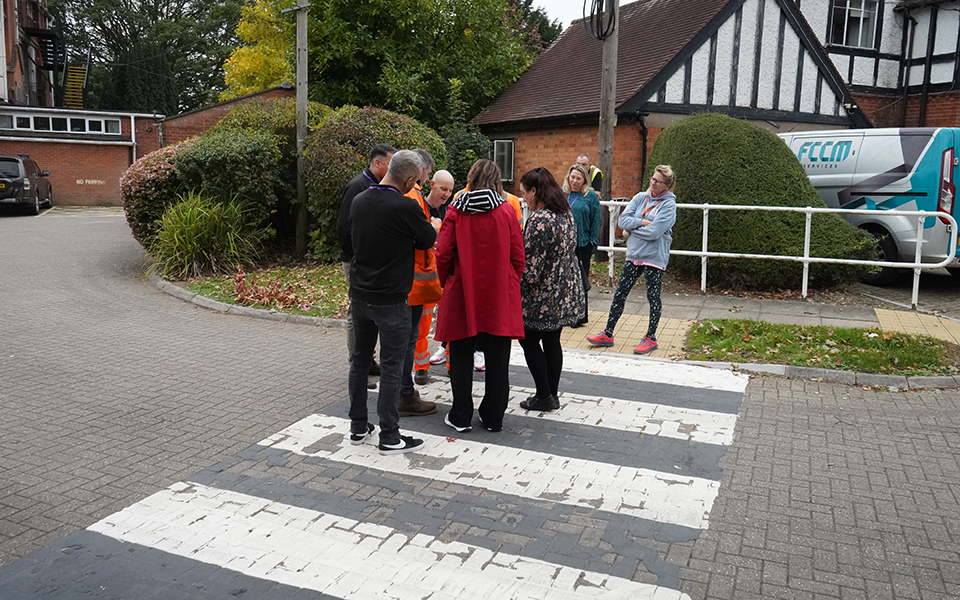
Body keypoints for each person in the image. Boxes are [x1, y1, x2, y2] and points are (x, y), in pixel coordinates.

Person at [347, 150, 437, 455]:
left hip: (359, 294)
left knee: (360, 362)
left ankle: (358, 426)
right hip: (392, 300)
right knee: (391, 366)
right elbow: (427, 239)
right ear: (410, 179)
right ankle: (389, 435)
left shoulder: (359, 200)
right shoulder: (405, 206)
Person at [435, 159, 525, 433]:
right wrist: (511, 280)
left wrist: (446, 281)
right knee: (498, 356)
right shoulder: (506, 211)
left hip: (463, 289)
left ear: (471, 179)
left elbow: (443, 252)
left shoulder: (455, 210)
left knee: (461, 354)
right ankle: (493, 415)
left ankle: (461, 414)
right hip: (499, 290)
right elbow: (518, 255)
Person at [586, 165, 677, 355]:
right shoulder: (639, 197)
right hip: (634, 255)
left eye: (658, 181)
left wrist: (632, 230)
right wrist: (642, 222)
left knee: (653, 297)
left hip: (654, 257)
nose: (653, 183)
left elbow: (655, 232)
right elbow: (622, 221)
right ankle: (608, 333)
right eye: (652, 179)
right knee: (620, 293)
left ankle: (651, 337)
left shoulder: (668, 205)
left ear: (667, 186)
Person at [517, 167, 585, 411]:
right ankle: (551, 394)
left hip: (541, 294)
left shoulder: (539, 219)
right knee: (552, 340)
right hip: (564, 289)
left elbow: (531, 269)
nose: (523, 198)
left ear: (535, 191)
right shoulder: (565, 213)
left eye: (525, 193)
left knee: (527, 339)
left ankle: (544, 395)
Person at [338, 144, 396, 386]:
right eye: (390, 164)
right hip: (356, 261)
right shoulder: (357, 187)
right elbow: (344, 227)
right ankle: (358, 364)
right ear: (378, 163)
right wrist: (356, 257)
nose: (393, 169)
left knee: (367, 311)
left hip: (369, 261)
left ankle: (367, 361)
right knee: (358, 312)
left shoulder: (378, 186)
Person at [398, 149, 441, 415]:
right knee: (407, 339)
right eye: (427, 173)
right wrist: (434, 226)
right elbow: (423, 237)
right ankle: (404, 394)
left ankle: (402, 391)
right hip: (412, 278)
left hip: (400, 277)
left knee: (403, 338)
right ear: (420, 170)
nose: (427, 179)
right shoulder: (413, 196)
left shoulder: (397, 193)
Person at [415, 169, 455, 385]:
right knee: (422, 324)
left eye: (450, 190)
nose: (447, 193)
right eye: (443, 189)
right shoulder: (419, 205)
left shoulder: (453, 208)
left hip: (445, 274)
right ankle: (421, 367)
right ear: (432, 184)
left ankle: (452, 365)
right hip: (425, 274)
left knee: (450, 322)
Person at [562, 163, 601, 328]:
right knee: (564, 279)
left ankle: (580, 315)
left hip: (583, 243)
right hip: (565, 244)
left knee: (580, 278)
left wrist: (593, 240)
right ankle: (565, 312)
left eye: (578, 178)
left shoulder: (590, 196)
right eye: (572, 177)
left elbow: (596, 218)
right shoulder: (564, 195)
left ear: (584, 179)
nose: (575, 181)